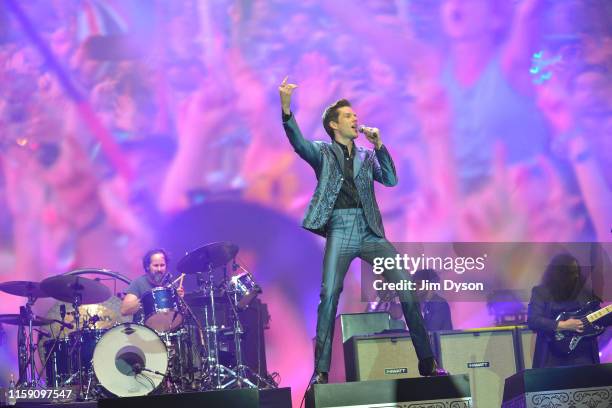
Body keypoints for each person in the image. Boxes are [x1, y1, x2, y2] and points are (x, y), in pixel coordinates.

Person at [278, 77, 446, 384]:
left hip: (370, 231)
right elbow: (298, 143)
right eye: (348, 116)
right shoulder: (322, 152)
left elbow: (392, 180)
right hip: (340, 229)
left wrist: (379, 145)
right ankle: (321, 372)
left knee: (406, 287)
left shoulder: (367, 156)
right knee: (329, 295)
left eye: (355, 115)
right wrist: (286, 108)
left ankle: (427, 362)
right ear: (333, 125)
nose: (356, 119)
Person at [527, 253, 611, 368]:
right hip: (552, 356)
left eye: (577, 272)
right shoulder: (541, 292)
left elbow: (601, 319)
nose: (576, 276)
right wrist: (564, 325)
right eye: (571, 273)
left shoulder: (584, 293)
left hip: (583, 356)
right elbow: (533, 320)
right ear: (558, 274)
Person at [120, 248, 184, 322]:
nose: (159, 269)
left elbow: (181, 313)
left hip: (168, 328)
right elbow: (124, 311)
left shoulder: (171, 283)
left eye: (162, 265)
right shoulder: (138, 283)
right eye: (156, 265)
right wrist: (147, 299)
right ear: (147, 266)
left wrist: (179, 299)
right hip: (144, 330)